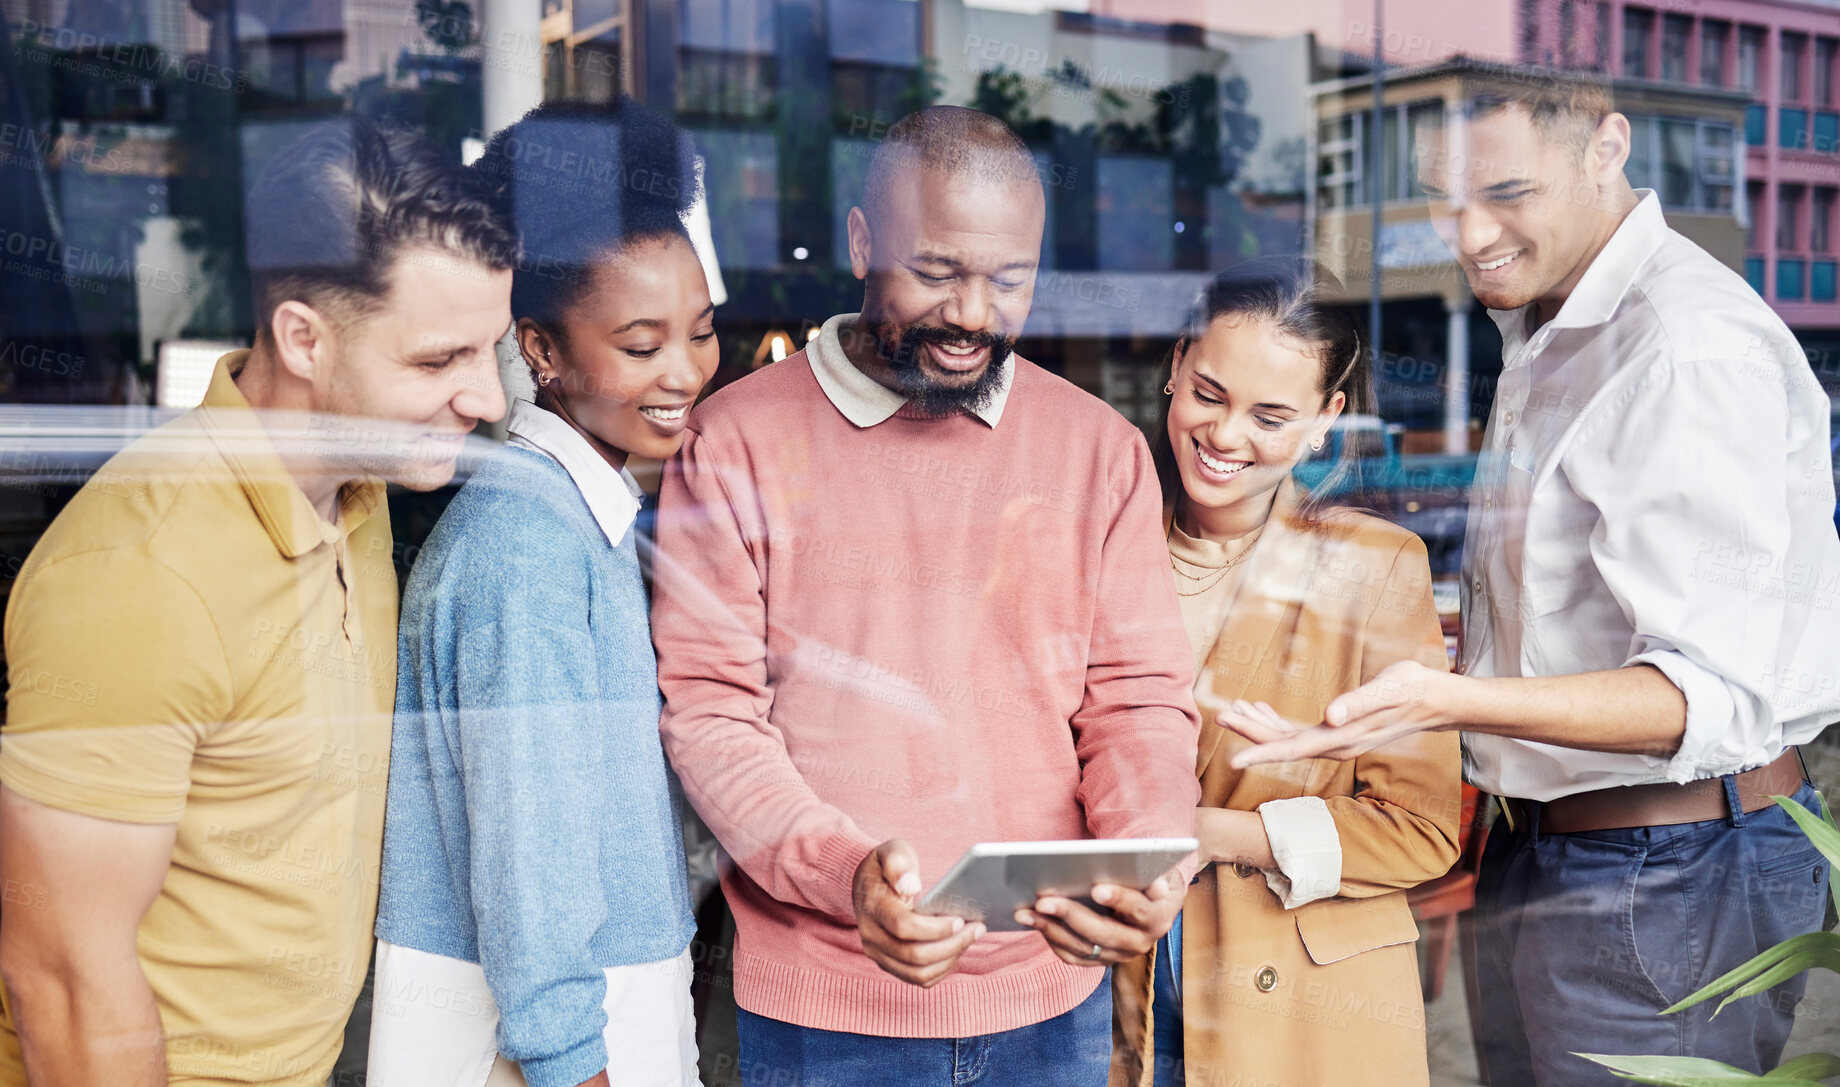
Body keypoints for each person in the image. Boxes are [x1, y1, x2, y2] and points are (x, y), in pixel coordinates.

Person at [1222, 70, 1840, 1084]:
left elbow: (1708, 693)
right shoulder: (1552, 327)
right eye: (1445, 201)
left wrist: (1440, 700)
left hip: (1667, 867)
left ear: (1606, 149)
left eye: (1504, 195)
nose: (1466, 236)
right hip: (1556, 850)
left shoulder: (1678, 348)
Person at [649, 105, 1201, 1086]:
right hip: (825, 1003)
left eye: (1009, 279)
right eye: (937, 273)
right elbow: (710, 715)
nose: (974, 315)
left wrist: (1145, 852)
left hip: (1049, 995)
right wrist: (847, 876)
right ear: (862, 243)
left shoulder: (1100, 451)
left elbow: (1136, 700)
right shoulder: (732, 441)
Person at [0, 116, 514, 1086]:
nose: (485, 398)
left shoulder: (358, 495)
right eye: (439, 360)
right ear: (303, 339)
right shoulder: (138, 574)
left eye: (487, 350)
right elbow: (63, 980)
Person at [368, 98, 715, 1087]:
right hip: (559, 1049)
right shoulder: (529, 546)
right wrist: (570, 1062)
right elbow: (533, 859)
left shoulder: (573, 514)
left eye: (699, 332)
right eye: (642, 346)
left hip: (596, 1013)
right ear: (541, 350)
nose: (685, 371)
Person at [1109, 263, 1461, 1087]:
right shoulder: (1100, 543)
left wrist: (1214, 833)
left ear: (1325, 419)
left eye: (1271, 416)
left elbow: (1422, 827)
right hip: (1112, 975)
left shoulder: (1375, 567)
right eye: (1208, 393)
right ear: (1175, 364)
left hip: (1303, 1005)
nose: (1227, 436)